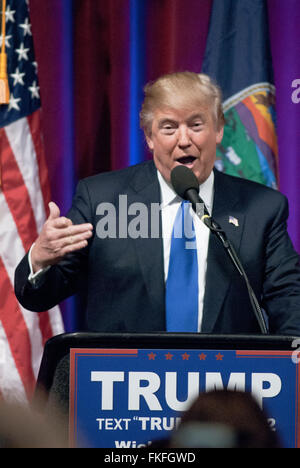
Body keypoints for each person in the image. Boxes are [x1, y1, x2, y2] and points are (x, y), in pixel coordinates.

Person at [14, 71, 300, 334]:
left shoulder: (261, 208)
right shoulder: (102, 200)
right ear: (149, 137)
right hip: (125, 382)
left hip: (222, 384)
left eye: (196, 125)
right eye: (168, 127)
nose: (184, 139)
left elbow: (289, 299)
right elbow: (39, 296)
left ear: (219, 130)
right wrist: (39, 259)